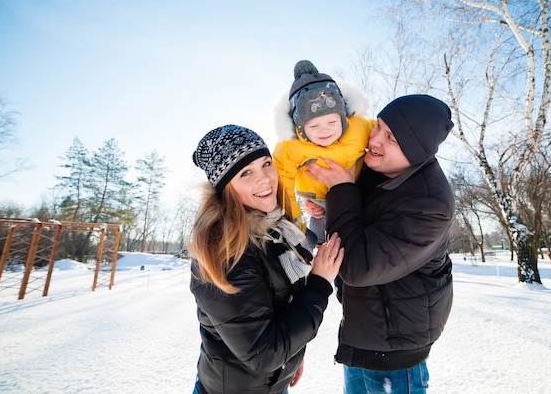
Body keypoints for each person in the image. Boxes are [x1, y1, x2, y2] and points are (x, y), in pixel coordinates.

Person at [305, 94, 455, 393]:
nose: (374, 141)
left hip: (397, 349)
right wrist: (329, 207)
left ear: (415, 152)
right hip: (364, 333)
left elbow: (357, 267)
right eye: (379, 127)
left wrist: (342, 190)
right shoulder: (377, 172)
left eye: (392, 139)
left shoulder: (429, 202)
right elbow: (351, 228)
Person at [188, 124, 344, 394]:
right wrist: (319, 283)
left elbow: (278, 311)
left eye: (266, 164)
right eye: (246, 172)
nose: (265, 179)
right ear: (226, 187)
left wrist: (292, 354)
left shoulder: (273, 231)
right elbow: (264, 353)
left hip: (271, 384)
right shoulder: (226, 251)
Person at [273, 59, 375, 244]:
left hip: (357, 195)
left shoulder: (360, 127)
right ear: (300, 127)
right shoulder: (291, 147)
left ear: (343, 118)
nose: (324, 130)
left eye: (332, 122)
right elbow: (283, 182)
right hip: (318, 203)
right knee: (316, 240)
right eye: (313, 125)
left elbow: (386, 134)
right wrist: (295, 220)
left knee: (354, 238)